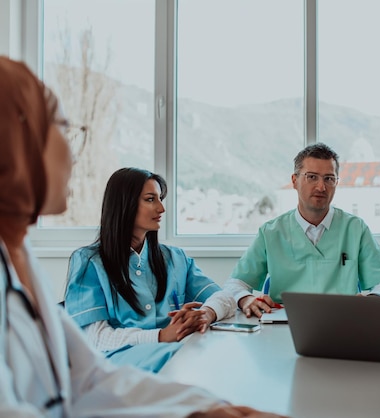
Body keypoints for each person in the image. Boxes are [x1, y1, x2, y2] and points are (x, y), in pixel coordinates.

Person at [0, 56, 285, 417]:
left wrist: (208, 410)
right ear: (14, 139)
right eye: (62, 128)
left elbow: (90, 379)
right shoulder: (87, 263)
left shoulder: (21, 261)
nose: (74, 155)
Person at [64, 167, 236, 372]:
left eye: (160, 198)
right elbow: (96, 338)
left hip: (174, 358)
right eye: (150, 199)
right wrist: (162, 336)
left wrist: (206, 314)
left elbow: (226, 298)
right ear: (124, 205)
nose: (161, 208)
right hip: (117, 368)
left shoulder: (175, 258)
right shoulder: (88, 262)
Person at [223, 143, 380, 318]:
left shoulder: (355, 229)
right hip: (285, 325)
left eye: (329, 179)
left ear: (336, 183)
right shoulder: (270, 232)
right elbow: (234, 284)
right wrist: (245, 298)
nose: (321, 187)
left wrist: (375, 298)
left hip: (344, 322)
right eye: (312, 177)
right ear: (294, 181)